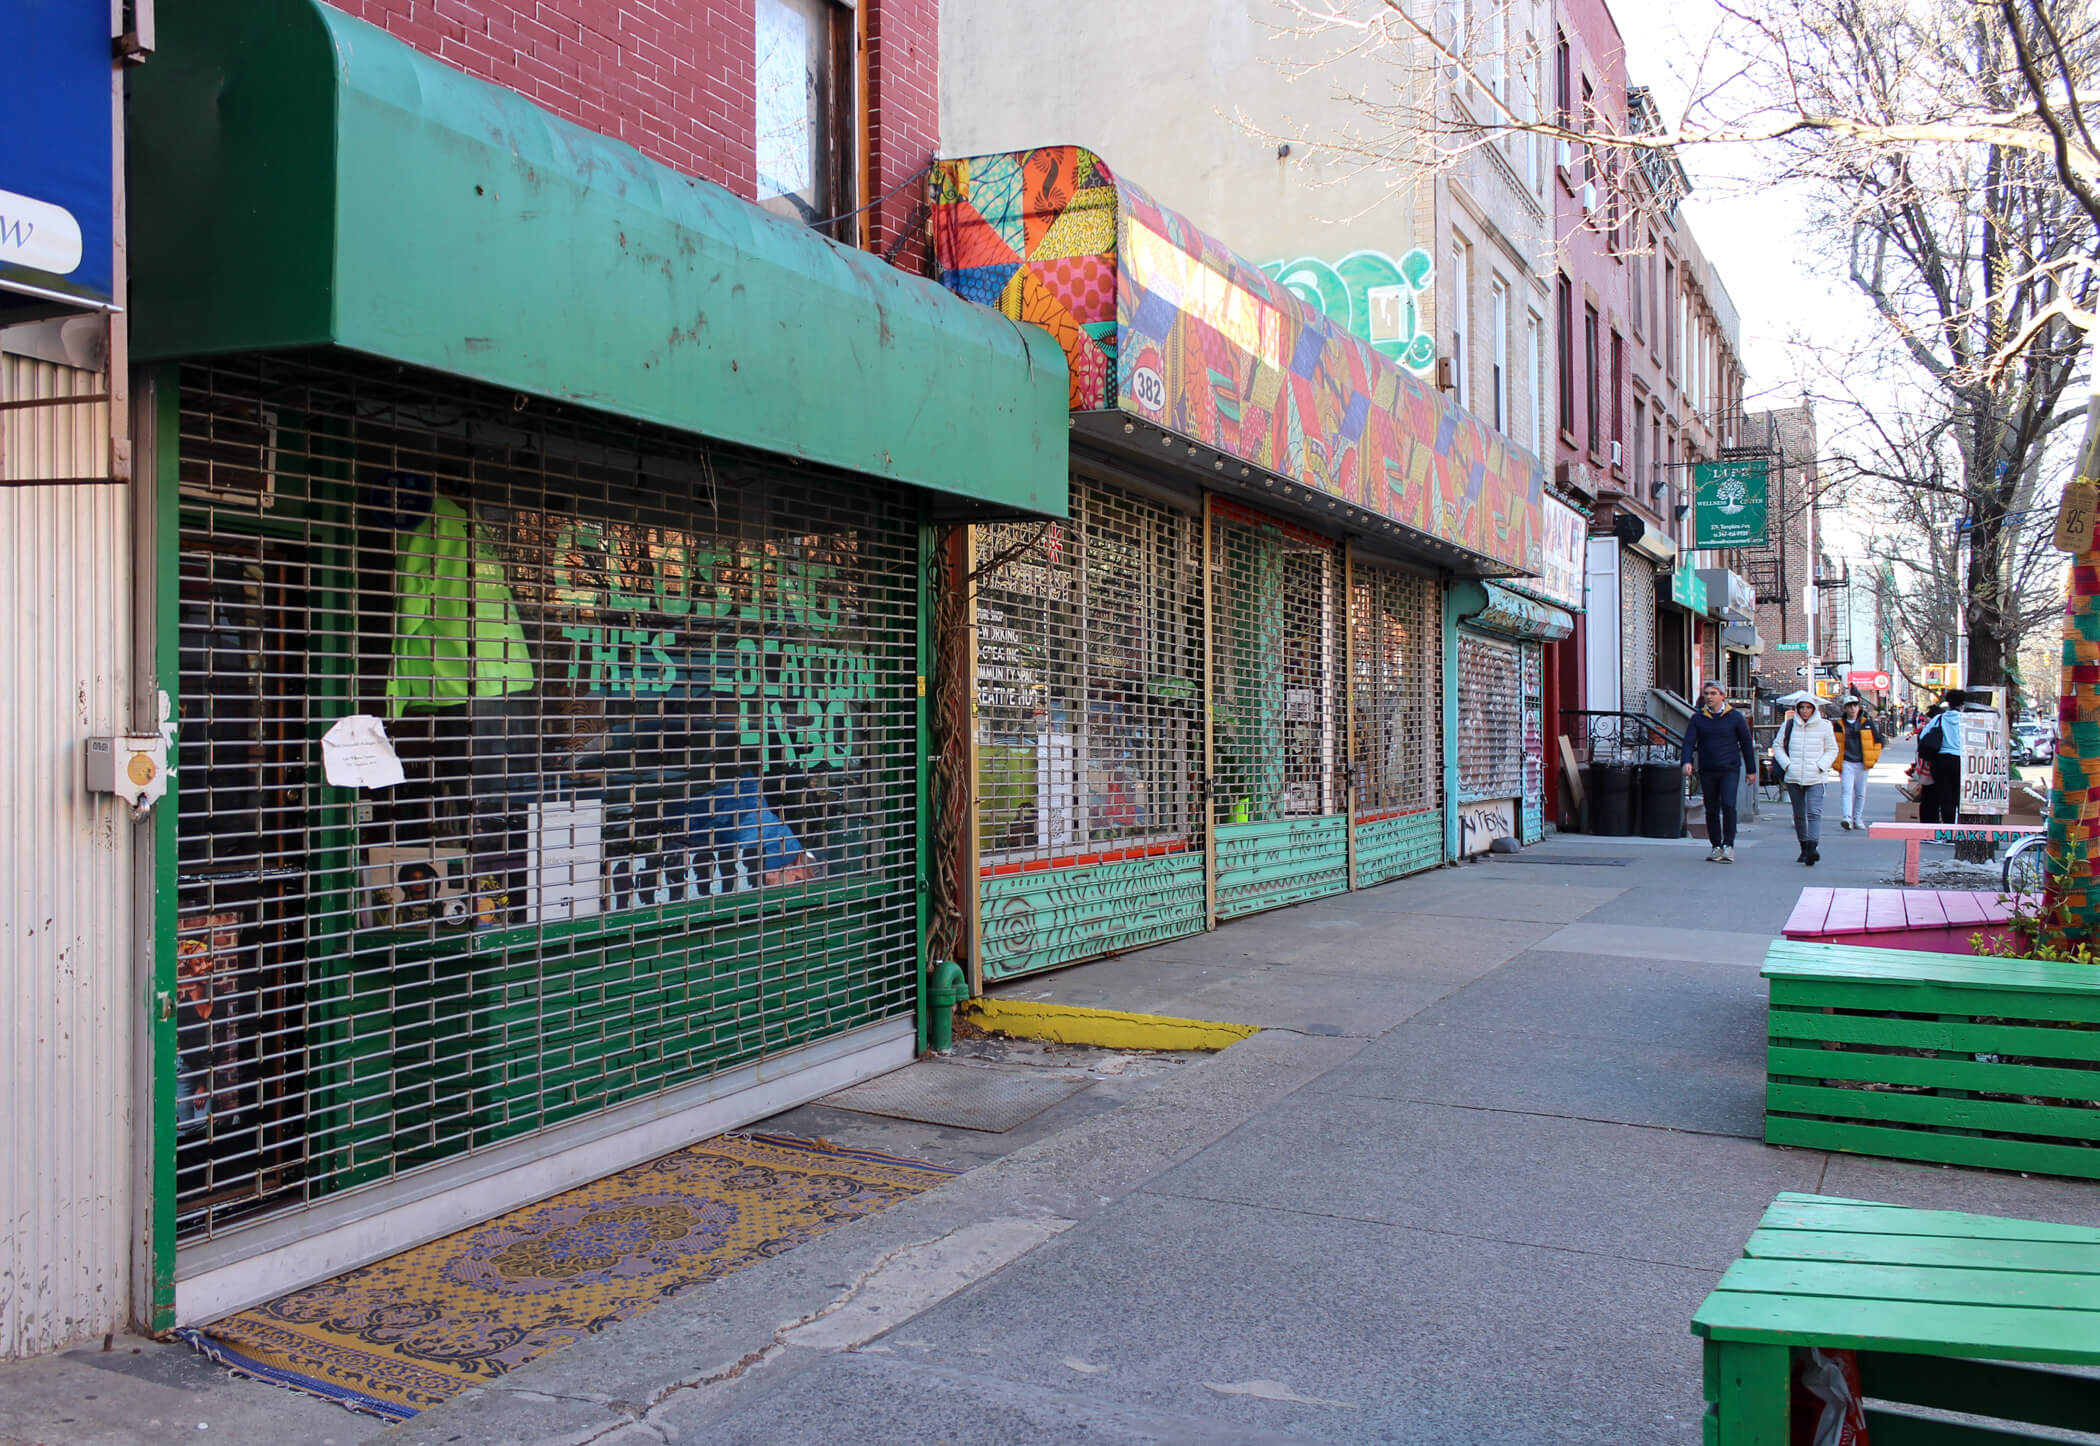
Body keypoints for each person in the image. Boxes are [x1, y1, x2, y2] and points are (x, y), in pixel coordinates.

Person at [1680, 680, 1757, 863]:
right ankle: (1716, 846)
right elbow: (1689, 742)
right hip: (1708, 769)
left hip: (1729, 768)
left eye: (1713, 693)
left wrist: (1751, 770)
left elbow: (1746, 743)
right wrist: (1686, 762)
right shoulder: (1698, 718)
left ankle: (1729, 845)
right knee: (1711, 808)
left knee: (1729, 805)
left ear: (1723, 696)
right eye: (1706, 693)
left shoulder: (1735, 717)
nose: (1709, 697)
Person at [1772, 698, 1840, 865]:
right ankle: (1803, 847)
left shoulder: (1824, 726)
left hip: (1816, 777)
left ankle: (1812, 848)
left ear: (1814, 709)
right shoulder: (1788, 725)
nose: (1804, 710)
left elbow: (1832, 749)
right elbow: (1778, 746)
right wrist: (1787, 765)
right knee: (1799, 814)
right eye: (1801, 707)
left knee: (1814, 812)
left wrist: (1821, 766)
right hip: (1794, 776)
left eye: (1808, 707)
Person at [1835, 698, 1884, 830]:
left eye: (1855, 706)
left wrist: (1873, 758)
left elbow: (1878, 740)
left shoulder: (1866, 723)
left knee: (1860, 792)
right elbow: (1833, 743)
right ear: (1845, 708)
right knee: (1847, 790)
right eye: (1849, 706)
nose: (1852, 708)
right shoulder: (1839, 725)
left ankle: (1857, 818)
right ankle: (1847, 817)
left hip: (1862, 763)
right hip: (1846, 762)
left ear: (1859, 708)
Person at [1917, 692, 1963, 824]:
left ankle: (1948, 831)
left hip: (1940, 762)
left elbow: (1924, 735)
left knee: (1945, 797)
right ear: (1962, 704)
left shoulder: (1939, 719)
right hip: (1960, 761)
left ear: (1948, 703)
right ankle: (1960, 829)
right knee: (1960, 797)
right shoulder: (1966, 720)